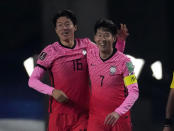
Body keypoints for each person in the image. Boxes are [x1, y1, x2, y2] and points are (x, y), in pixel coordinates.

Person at [28, 10, 128, 131]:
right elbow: (32, 81)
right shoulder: (50, 51)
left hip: (83, 114)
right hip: (59, 115)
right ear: (56, 30)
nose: (64, 28)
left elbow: (111, 59)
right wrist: (52, 91)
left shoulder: (87, 45)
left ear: (75, 27)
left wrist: (121, 42)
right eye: (60, 25)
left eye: (67, 24)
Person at [87, 18, 139, 131]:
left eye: (106, 35)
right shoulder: (90, 54)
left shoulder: (126, 62)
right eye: (99, 35)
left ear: (114, 38)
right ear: (95, 38)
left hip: (118, 119)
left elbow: (134, 92)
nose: (102, 39)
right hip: (96, 119)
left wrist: (118, 112)